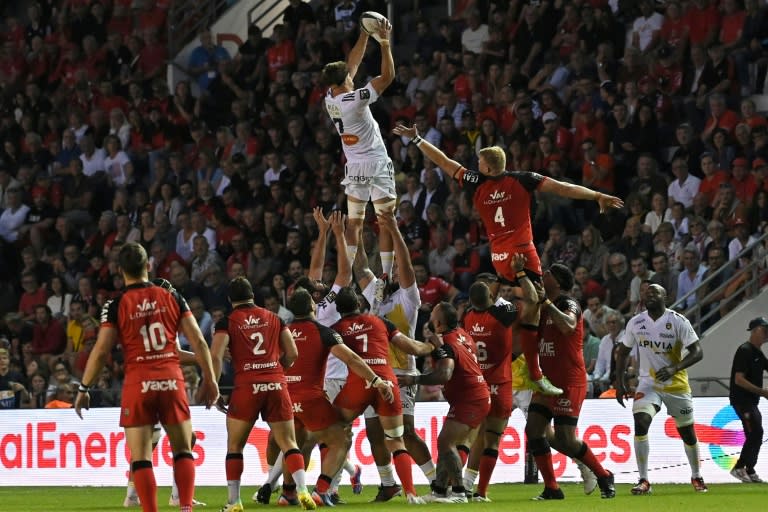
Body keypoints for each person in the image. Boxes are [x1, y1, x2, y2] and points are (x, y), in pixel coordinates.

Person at [392, 122, 624, 395]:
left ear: (488, 167)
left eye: (479, 161)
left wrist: (417, 139)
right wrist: (597, 195)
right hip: (522, 252)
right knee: (534, 305)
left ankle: (496, 361)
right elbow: (563, 188)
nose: (476, 165)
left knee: (506, 306)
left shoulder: (476, 181)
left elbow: (445, 162)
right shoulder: (523, 178)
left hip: (498, 255)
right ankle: (535, 373)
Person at [75, 242, 219, 512]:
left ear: (120, 270)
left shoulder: (115, 304)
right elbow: (199, 342)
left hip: (138, 382)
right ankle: (185, 506)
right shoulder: (173, 296)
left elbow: (101, 350)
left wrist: (84, 388)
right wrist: (211, 380)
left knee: (141, 458)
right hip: (170, 379)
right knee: (184, 449)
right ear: (149, 265)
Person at [210, 276, 317, 511]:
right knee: (289, 442)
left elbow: (216, 355)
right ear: (253, 296)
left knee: (235, 446)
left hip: (247, 386)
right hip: (276, 383)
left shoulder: (227, 322)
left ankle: (234, 502)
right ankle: (302, 491)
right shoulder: (275, 318)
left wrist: (214, 386)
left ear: (230, 299)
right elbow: (293, 353)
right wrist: (277, 370)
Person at [354, 208, 437, 501]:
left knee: (407, 434)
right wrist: (355, 231)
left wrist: (394, 230)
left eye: (393, 273)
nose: (389, 274)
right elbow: (360, 268)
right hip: (374, 376)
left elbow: (406, 268)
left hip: (402, 374)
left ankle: (436, 482)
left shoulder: (408, 298)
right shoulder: (376, 295)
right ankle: (389, 483)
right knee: (374, 432)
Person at [282, 287, 394, 506]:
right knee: (341, 439)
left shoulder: (281, 331)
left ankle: (288, 493)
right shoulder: (323, 332)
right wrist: (376, 380)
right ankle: (321, 490)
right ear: (313, 306)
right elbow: (352, 359)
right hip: (310, 399)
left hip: (285, 399)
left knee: (296, 444)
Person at [331, 286, 436, 504]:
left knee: (332, 430)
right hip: (386, 382)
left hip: (359, 384)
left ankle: (325, 489)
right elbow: (413, 348)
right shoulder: (381, 322)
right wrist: (432, 346)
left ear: (338, 309)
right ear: (359, 304)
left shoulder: (335, 329)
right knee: (394, 439)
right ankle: (409, 493)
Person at [526, 263, 616, 501]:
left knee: (566, 437)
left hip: (570, 381)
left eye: (548, 274)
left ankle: (603, 475)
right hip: (547, 381)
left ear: (557, 281)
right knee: (534, 430)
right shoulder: (541, 307)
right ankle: (552, 488)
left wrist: (545, 303)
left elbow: (568, 326)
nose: (543, 275)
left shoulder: (569, 303)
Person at [321, 16, 397, 279]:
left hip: (354, 168)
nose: (353, 73)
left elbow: (351, 64)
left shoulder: (330, 98)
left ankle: (347, 274)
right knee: (386, 220)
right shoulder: (355, 98)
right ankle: (386, 275)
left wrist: (364, 34)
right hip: (375, 163)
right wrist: (385, 44)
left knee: (355, 222)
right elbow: (388, 77)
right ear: (346, 81)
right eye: (349, 75)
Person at [615, 284, 708, 495]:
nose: (649, 296)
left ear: (665, 297)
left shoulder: (677, 321)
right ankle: (643, 480)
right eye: (646, 293)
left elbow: (698, 351)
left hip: (676, 385)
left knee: (687, 432)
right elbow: (622, 352)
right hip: (648, 384)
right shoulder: (636, 323)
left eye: (654, 293)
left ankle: (696, 475)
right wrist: (619, 383)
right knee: (641, 422)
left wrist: (675, 367)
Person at [461, 253, 537, 501]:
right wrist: (519, 274)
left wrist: (499, 278)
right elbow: (533, 301)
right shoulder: (502, 315)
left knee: (475, 437)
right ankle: (480, 491)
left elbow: (486, 298)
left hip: (477, 386)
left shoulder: (468, 318)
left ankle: (463, 484)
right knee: (492, 440)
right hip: (500, 384)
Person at [400, 301, 489, 503]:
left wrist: (414, 379)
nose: (429, 317)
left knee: (446, 442)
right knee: (446, 443)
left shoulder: (447, 342)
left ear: (438, 322)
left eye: (432, 314)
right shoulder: (463, 335)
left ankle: (458, 493)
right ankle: (440, 490)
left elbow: (444, 374)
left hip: (471, 398)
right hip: (473, 395)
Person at [728, 317, 768, 483]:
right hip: (742, 400)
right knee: (756, 431)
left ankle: (749, 469)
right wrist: (762, 392)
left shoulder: (758, 353)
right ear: (754, 331)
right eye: (763, 329)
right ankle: (739, 467)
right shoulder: (745, 350)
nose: (766, 333)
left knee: (755, 433)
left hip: (751, 401)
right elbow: (739, 379)